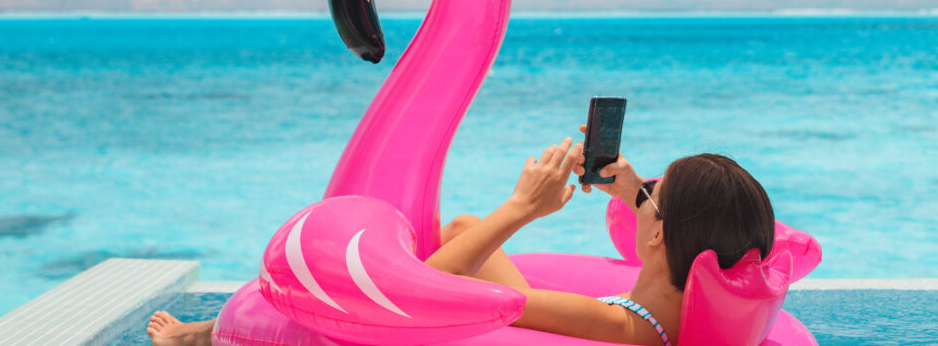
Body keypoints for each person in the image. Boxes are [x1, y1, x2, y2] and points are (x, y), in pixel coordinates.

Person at [149, 127, 775, 346]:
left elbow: (431, 289)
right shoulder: (681, 299)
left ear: (662, 236)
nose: (643, 197)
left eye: (651, 198)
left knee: (469, 237)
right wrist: (634, 189)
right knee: (463, 228)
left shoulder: (617, 325)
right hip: (645, 279)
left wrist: (523, 208)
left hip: (443, 320)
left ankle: (205, 336)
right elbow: (674, 232)